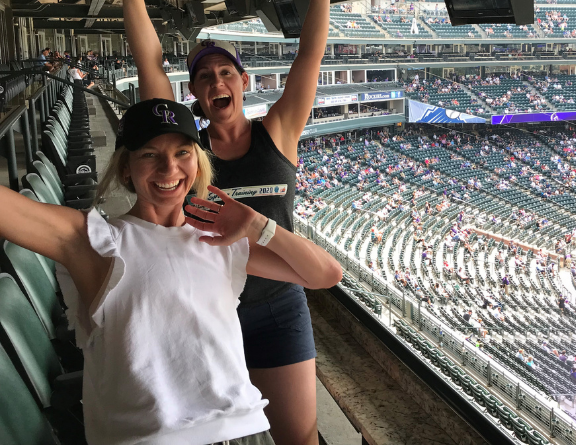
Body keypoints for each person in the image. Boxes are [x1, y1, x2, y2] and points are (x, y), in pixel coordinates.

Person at [0, 98, 341, 445]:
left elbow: (325, 275)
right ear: (125, 169)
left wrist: (258, 223)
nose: (169, 168)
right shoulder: (95, 242)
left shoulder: (221, 241)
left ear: (198, 163)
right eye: (150, 154)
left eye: (182, 153)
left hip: (245, 430)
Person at [121, 0, 331, 445]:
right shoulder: (186, 148)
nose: (217, 83)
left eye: (225, 73)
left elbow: (309, 56)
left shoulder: (278, 131)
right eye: (204, 77)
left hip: (281, 301)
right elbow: (149, 60)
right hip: (207, 300)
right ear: (193, 92)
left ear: (242, 81)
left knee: (298, 436)